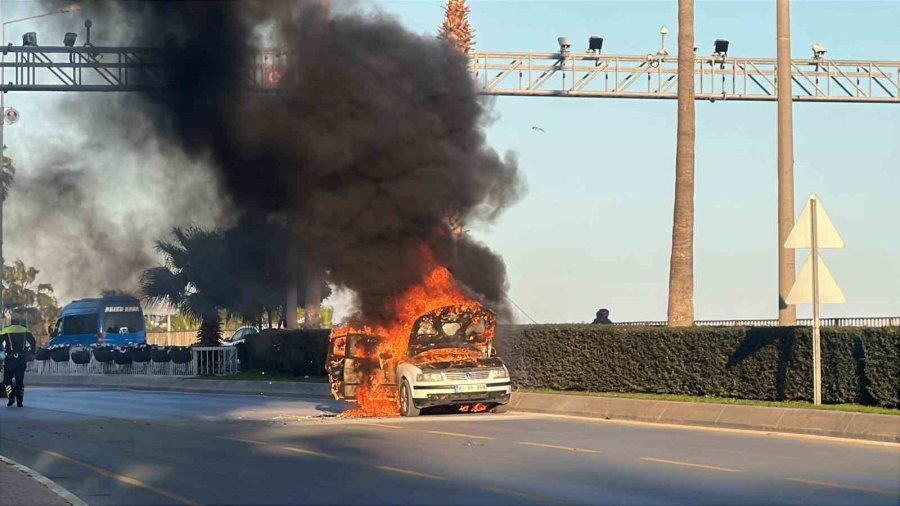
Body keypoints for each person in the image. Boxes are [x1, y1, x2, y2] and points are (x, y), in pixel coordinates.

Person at [1, 316, 36, 407]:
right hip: (21, 359)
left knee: (7, 380)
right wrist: (31, 353)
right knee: (19, 380)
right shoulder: (25, 330)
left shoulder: (6, 330)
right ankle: (20, 401)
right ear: (19, 322)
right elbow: (33, 342)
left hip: (10, 359)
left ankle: (11, 398)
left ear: (11, 322)